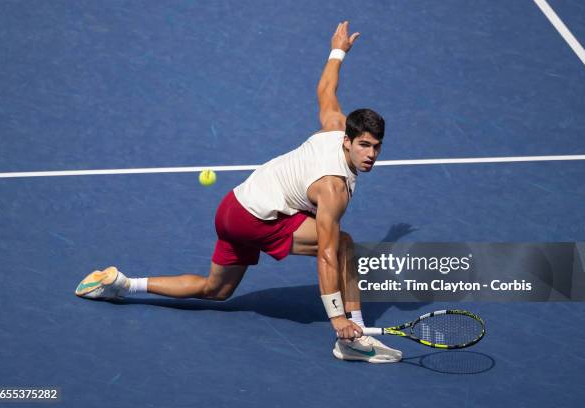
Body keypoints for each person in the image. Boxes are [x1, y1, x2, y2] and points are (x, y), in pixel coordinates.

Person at [75, 21, 402, 363]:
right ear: (348, 142)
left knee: (216, 290)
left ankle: (122, 284)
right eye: (364, 145)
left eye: (376, 147)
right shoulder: (333, 188)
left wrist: (338, 50)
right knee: (344, 245)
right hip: (257, 220)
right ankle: (352, 336)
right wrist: (338, 319)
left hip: (233, 207)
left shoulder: (335, 125)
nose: (370, 155)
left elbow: (325, 89)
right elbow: (327, 255)